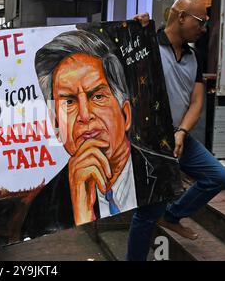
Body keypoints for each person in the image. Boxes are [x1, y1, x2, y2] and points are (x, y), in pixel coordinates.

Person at [21, 29, 178, 237]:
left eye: (98, 97)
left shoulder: (164, 172)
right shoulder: (43, 208)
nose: (85, 116)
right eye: (69, 102)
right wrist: (82, 215)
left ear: (125, 114)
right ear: (57, 125)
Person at [127, 0, 225, 261]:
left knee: (217, 176)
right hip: (150, 139)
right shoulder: (148, 44)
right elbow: (118, 59)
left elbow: (196, 102)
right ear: (181, 16)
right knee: (148, 211)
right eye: (201, 22)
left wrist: (182, 132)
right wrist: (134, 31)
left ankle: (172, 216)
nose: (205, 29)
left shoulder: (194, 56)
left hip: (178, 135)